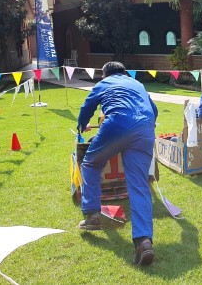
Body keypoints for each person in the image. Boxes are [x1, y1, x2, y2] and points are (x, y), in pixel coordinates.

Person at [76, 61, 158, 266]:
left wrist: (81, 126)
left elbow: (87, 107)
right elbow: (153, 109)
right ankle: (144, 241)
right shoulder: (137, 84)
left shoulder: (104, 84)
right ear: (124, 72)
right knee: (139, 184)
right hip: (145, 129)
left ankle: (92, 214)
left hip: (117, 124)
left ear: (105, 75)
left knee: (91, 164)